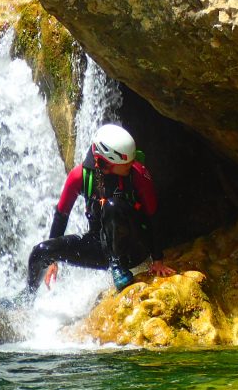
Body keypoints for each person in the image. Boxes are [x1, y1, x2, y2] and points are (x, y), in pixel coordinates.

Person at [24, 124, 176, 299]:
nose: (131, 164)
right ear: (108, 163)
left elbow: (153, 217)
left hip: (134, 248)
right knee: (41, 251)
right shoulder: (79, 176)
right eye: (126, 163)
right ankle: (27, 296)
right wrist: (53, 260)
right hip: (100, 247)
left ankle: (119, 266)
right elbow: (61, 216)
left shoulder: (138, 174)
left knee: (112, 206)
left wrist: (157, 259)